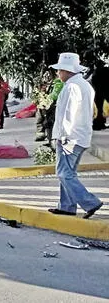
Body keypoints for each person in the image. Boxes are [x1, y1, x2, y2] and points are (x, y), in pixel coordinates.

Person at [48, 52, 103, 219]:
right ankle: (66, 207)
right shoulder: (85, 85)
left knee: (63, 173)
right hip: (81, 136)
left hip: (69, 137)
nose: (58, 74)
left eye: (59, 70)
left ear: (67, 70)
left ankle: (90, 202)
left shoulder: (72, 87)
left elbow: (68, 115)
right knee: (68, 173)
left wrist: (62, 136)